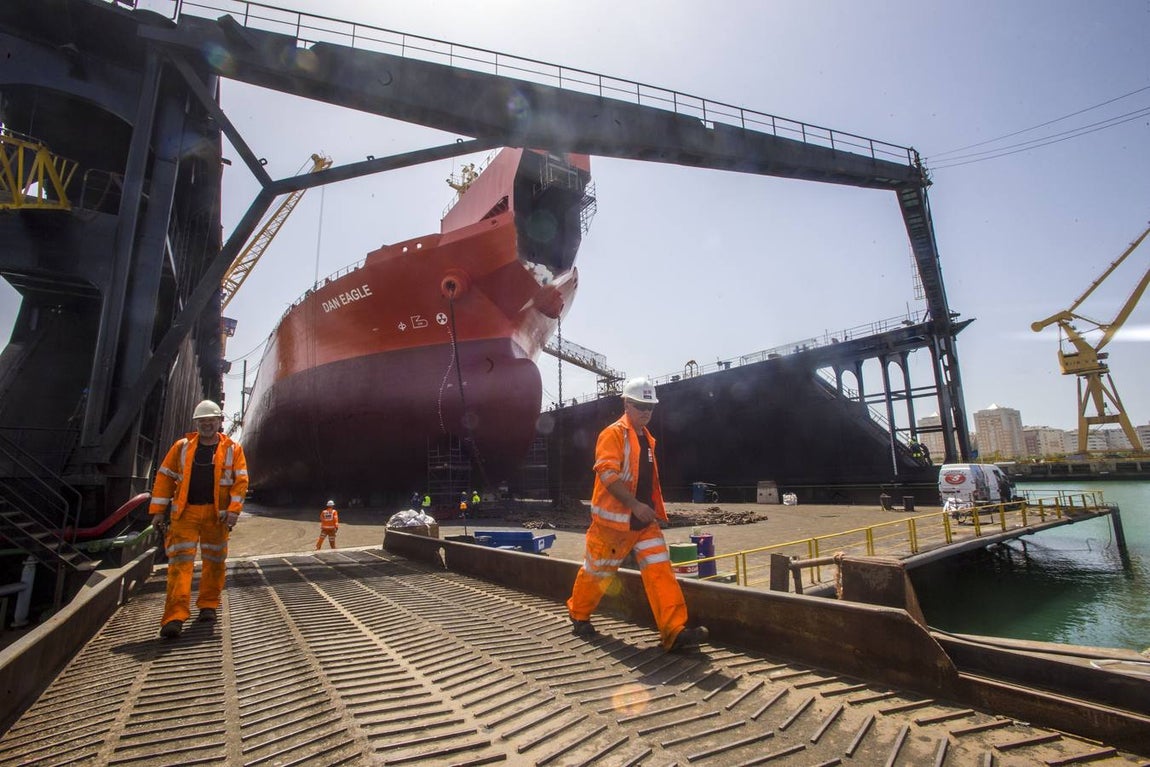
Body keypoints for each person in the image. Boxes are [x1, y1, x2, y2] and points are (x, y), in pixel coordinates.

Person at [566, 377, 708, 652]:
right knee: (597, 573)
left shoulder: (647, 439)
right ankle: (578, 614)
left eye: (650, 407)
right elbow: (608, 475)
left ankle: (674, 631)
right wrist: (634, 505)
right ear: (626, 404)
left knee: (661, 572)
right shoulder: (613, 434)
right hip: (612, 525)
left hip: (643, 523)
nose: (646, 412)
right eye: (640, 405)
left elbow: (645, 481)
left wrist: (652, 510)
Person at [148, 399, 248, 639]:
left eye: (211, 420)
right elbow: (164, 478)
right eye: (202, 421)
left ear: (219, 422)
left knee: (215, 562)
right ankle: (174, 617)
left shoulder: (233, 449)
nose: (207, 424)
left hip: (217, 515)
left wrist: (233, 511)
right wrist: (158, 511)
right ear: (196, 423)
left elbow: (240, 481)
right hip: (185, 513)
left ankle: (208, 606)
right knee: (179, 565)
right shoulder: (181, 447)